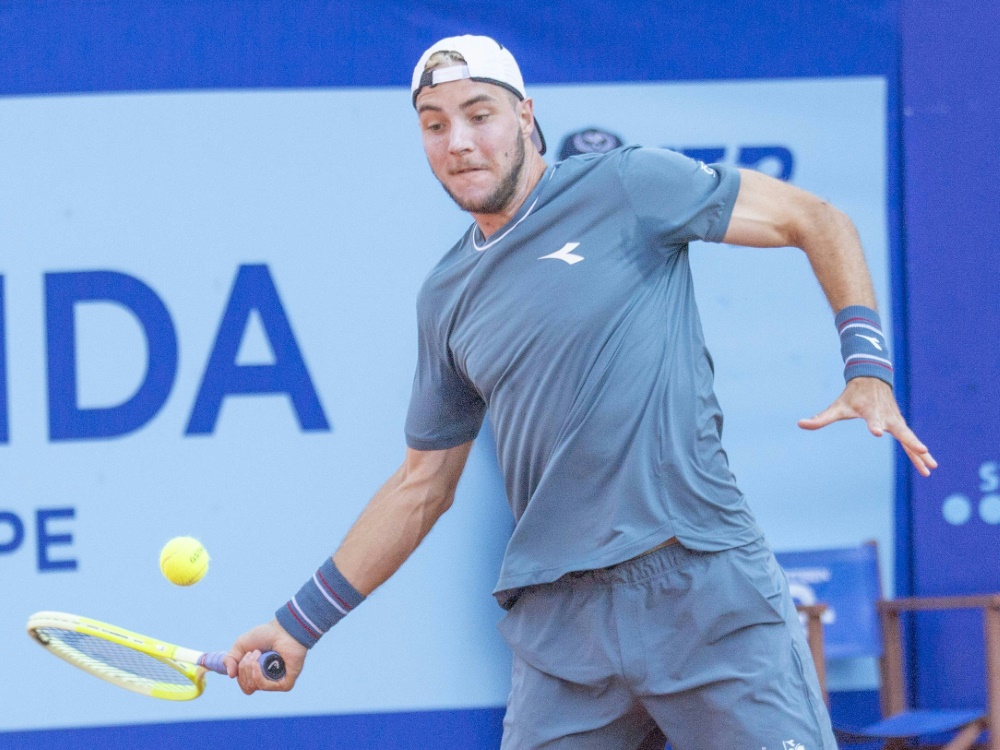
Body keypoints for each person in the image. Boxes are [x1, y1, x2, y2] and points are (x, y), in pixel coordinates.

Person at [225, 34, 936, 749]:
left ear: (527, 116)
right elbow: (420, 487)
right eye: (435, 124)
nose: (459, 142)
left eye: (480, 115)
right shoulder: (445, 298)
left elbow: (817, 219)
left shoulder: (623, 186)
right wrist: (297, 624)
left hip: (701, 590)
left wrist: (867, 368)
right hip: (562, 632)